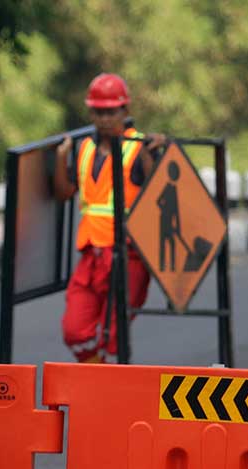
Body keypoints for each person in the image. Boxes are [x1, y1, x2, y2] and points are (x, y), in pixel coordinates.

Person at [53, 73, 166, 363]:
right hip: (91, 253)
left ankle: (101, 395)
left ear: (125, 111)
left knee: (113, 337)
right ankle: (98, 380)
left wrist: (159, 151)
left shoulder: (139, 148)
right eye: (98, 112)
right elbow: (65, 193)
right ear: (91, 112)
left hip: (128, 256)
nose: (104, 119)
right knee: (75, 330)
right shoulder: (85, 148)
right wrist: (60, 158)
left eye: (111, 112)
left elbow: (159, 192)